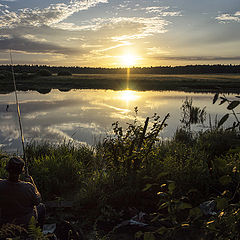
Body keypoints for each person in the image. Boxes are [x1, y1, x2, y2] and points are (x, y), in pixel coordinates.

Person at [0, 157, 45, 228]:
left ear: (8, 169)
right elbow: (38, 200)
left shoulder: (1, 185)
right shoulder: (28, 187)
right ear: (21, 171)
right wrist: (33, 183)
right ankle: (36, 234)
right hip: (25, 224)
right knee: (41, 207)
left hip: (5, 224)